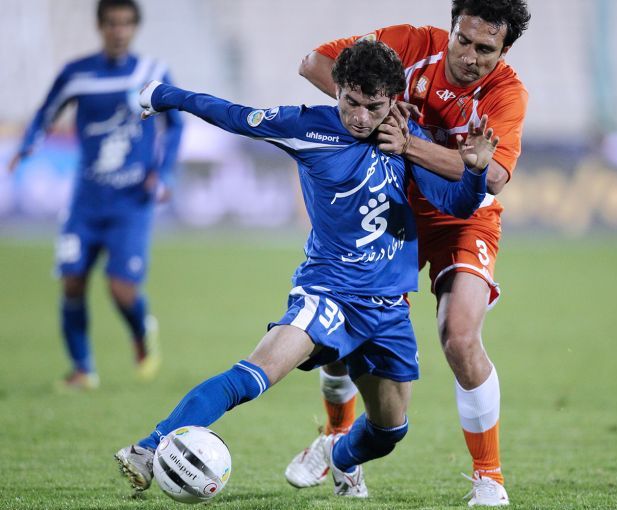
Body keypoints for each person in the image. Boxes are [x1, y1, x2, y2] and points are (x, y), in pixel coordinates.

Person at [114, 40, 498, 499]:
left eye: (373, 107)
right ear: (337, 90)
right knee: (254, 375)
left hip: (388, 307)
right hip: (328, 293)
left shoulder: (406, 138)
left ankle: (340, 457)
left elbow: (456, 203)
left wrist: (475, 171)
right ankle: (149, 446)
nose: (360, 117)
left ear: (393, 100)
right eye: (350, 102)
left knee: (390, 430)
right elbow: (234, 115)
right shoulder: (306, 126)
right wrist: (165, 95)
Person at [288, 0, 530, 505]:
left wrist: (407, 141)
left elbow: (492, 176)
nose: (469, 55)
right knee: (343, 325)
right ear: (451, 29)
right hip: (392, 204)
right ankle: (336, 439)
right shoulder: (409, 44)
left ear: (504, 51)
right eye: (463, 40)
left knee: (459, 337)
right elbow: (313, 63)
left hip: (462, 216)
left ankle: (489, 476)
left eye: (485, 49)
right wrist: (373, 111)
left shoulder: (507, 94)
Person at [8, 0, 183, 390]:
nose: (119, 31)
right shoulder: (77, 73)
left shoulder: (152, 72)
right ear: (100, 27)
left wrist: (164, 171)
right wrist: (28, 143)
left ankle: (141, 331)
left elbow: (175, 126)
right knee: (72, 280)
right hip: (85, 200)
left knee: (121, 288)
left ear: (135, 27)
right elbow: (46, 111)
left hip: (131, 202)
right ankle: (82, 369)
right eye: (111, 24)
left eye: (126, 23)